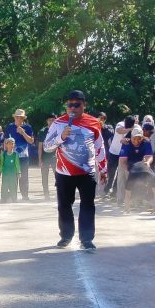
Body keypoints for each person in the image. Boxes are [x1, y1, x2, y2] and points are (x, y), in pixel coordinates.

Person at [42, 90, 105, 249]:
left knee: (87, 205)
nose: (73, 108)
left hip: (87, 172)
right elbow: (47, 147)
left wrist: (103, 169)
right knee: (64, 205)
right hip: (64, 173)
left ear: (84, 105)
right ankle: (66, 236)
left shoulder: (93, 122)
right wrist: (61, 137)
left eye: (77, 104)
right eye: (70, 104)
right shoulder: (58, 123)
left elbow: (99, 147)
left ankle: (87, 239)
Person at [119, 126, 155, 213]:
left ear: (142, 137)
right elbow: (123, 161)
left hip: (140, 163)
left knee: (144, 180)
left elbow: (149, 157)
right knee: (126, 181)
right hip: (127, 163)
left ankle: (142, 200)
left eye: (139, 138)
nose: (136, 141)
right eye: (134, 138)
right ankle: (124, 201)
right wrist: (128, 170)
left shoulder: (146, 142)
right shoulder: (126, 143)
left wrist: (148, 163)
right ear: (131, 137)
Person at [4, 109, 35, 200]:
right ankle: (13, 195)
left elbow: (31, 141)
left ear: (23, 118)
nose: (18, 119)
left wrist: (23, 132)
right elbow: (5, 141)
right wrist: (5, 154)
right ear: (14, 117)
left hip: (24, 156)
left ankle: (25, 195)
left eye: (21, 117)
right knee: (12, 175)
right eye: (17, 117)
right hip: (11, 156)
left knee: (24, 176)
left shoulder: (28, 127)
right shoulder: (9, 127)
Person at [38, 114, 57, 198]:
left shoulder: (58, 131)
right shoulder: (42, 131)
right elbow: (40, 146)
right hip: (45, 156)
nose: (51, 122)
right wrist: (39, 160)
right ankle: (46, 194)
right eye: (50, 120)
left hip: (55, 156)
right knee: (44, 176)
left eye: (53, 120)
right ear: (47, 121)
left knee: (58, 176)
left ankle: (60, 193)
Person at [0, 137, 21, 203]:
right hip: (5, 173)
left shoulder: (15, 154)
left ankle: (14, 198)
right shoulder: (4, 154)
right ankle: (3, 198)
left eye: (12, 144)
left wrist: (18, 172)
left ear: (14, 145)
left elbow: (17, 164)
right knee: (4, 186)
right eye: (9, 144)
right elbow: (1, 163)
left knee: (13, 186)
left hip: (13, 174)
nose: (10, 145)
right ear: (6, 145)